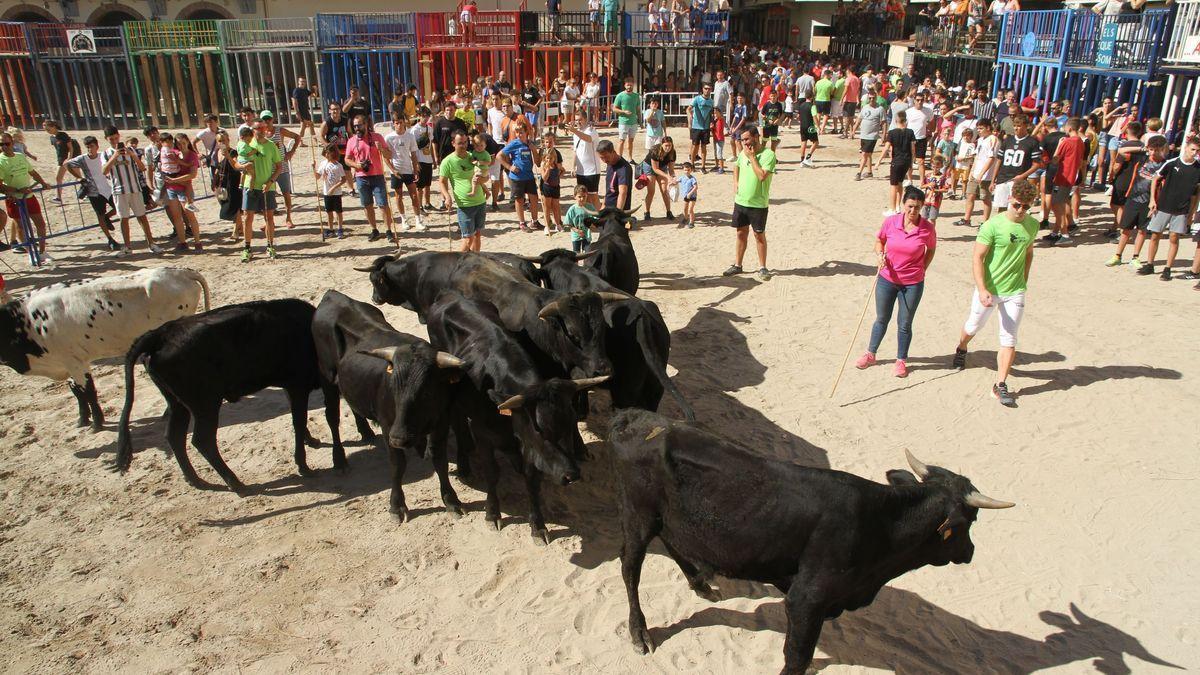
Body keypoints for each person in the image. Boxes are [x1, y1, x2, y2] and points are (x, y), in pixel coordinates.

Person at [953, 179, 1040, 408]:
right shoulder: (992, 225)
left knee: (1009, 337)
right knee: (973, 326)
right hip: (990, 289)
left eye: (1026, 207)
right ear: (1010, 199)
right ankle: (962, 347)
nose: (1021, 211)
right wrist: (982, 289)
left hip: (1015, 290)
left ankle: (1000, 384)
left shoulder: (1032, 225)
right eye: (1018, 205)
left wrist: (1025, 277)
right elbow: (977, 258)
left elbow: (1029, 252)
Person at [856, 186, 937, 378]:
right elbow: (879, 241)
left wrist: (922, 268)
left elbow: (931, 250)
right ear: (903, 204)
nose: (913, 211)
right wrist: (880, 254)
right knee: (881, 319)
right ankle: (871, 353)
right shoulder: (891, 222)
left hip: (912, 283)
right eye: (909, 206)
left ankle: (901, 360)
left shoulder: (927, 228)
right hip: (887, 278)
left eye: (917, 207)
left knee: (904, 323)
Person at [1138, 135, 1200, 279]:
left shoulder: (1198, 169)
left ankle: (1168, 268)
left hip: (1182, 210)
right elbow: (1155, 179)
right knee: (1155, 235)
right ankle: (1150, 264)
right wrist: (1152, 200)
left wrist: (1191, 212)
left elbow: (1196, 194)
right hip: (1164, 205)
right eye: (1193, 150)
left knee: (1174, 238)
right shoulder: (1172, 163)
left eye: (1197, 151)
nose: (1195, 153)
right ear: (1186, 147)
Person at [724, 126, 776, 281]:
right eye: (742, 140)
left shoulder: (768, 155)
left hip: (758, 203)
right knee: (740, 233)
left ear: (756, 137)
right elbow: (737, 166)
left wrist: (752, 157)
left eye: (746, 139)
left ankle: (763, 267)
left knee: (758, 235)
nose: (744, 143)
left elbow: (761, 176)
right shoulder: (743, 153)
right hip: (741, 201)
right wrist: (735, 183)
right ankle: (738, 265)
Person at [1108, 135, 1166, 268]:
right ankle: (1117, 255)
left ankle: (1135, 257)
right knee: (1125, 229)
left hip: (1149, 202)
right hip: (1133, 198)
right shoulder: (1141, 157)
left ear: (1162, 149)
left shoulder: (1164, 164)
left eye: (1156, 150)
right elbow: (1121, 151)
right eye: (1151, 149)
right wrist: (1142, 148)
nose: (1153, 153)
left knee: (1142, 231)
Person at [100, 127, 160, 256]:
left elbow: (142, 168)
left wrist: (133, 155)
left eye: (116, 138)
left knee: (142, 217)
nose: (115, 141)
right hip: (119, 190)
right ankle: (127, 246)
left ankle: (151, 243)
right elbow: (104, 171)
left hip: (135, 189)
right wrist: (115, 156)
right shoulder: (105, 154)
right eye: (111, 139)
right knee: (124, 218)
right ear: (107, 139)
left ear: (119, 136)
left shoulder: (131, 150)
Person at [232, 121, 283, 261]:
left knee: (269, 218)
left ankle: (270, 246)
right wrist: (242, 166)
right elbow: (236, 163)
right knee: (248, 218)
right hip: (250, 186)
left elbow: (279, 167)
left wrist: (271, 181)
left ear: (266, 128)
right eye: (257, 128)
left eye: (262, 127)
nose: (260, 130)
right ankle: (247, 248)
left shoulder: (271, 146)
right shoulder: (246, 143)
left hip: (268, 187)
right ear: (252, 130)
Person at [61, 135, 120, 251]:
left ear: (97, 146)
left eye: (91, 146)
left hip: (108, 188)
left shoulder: (103, 155)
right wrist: (78, 177)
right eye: (87, 147)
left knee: (119, 209)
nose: (89, 149)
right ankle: (110, 239)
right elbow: (66, 164)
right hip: (94, 192)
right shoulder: (82, 159)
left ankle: (108, 217)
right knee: (100, 215)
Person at [345, 114, 396, 243]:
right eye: (355, 126)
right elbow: (347, 159)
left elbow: (389, 154)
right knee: (367, 205)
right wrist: (357, 165)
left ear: (366, 124)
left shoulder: (377, 137)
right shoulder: (351, 141)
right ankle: (374, 230)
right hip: (361, 177)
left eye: (359, 125)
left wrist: (381, 149)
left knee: (383, 204)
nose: (357, 128)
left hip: (377, 175)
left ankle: (388, 230)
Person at [439, 130, 490, 252]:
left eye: (466, 142)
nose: (464, 145)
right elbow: (442, 181)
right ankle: (455, 263)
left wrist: (483, 180)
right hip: (464, 204)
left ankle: (476, 262)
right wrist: (447, 197)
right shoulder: (447, 161)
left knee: (477, 235)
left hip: (480, 201)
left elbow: (486, 176)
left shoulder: (473, 156)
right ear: (453, 143)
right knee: (468, 238)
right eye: (460, 143)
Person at [989, 114, 1042, 214]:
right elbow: (999, 160)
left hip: (1018, 180)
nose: (1016, 128)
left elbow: (1036, 164)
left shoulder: (1032, 142)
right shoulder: (1008, 140)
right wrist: (993, 180)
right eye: (1014, 126)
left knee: (1015, 207)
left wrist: (1022, 176)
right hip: (1002, 178)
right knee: (1001, 207)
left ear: (1026, 126)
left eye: (1019, 126)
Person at [1045, 117, 1086, 244]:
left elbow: (1055, 159)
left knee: (1057, 205)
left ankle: (1065, 234)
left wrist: (1059, 145)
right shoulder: (1080, 141)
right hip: (1072, 176)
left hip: (1064, 176)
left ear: (1069, 128)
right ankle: (1055, 232)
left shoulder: (1067, 141)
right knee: (1061, 203)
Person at [162, 135, 202, 251]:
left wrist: (175, 180)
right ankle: (182, 242)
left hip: (184, 189)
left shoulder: (191, 155)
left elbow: (193, 175)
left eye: (183, 143)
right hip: (172, 188)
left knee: (190, 216)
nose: (181, 146)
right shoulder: (174, 152)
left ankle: (197, 242)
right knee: (177, 217)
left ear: (187, 142)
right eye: (179, 143)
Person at [500, 123, 543, 231]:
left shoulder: (530, 144)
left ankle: (535, 221)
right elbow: (499, 156)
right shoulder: (513, 144)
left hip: (529, 175)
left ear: (526, 132)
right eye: (517, 132)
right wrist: (509, 167)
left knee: (534, 198)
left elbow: (537, 163)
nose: (519, 134)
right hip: (517, 177)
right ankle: (522, 223)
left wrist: (534, 150)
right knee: (519, 200)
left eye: (521, 132)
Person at [384, 115, 424, 232]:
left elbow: (414, 154)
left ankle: (418, 219)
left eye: (401, 122)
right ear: (393, 124)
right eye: (397, 123)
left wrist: (415, 170)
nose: (399, 125)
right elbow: (386, 156)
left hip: (408, 170)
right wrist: (392, 169)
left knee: (414, 195)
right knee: (399, 196)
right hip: (396, 170)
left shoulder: (410, 136)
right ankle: (403, 219)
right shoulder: (389, 138)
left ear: (404, 123)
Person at [880, 110, 916, 215]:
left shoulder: (892, 133)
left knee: (893, 185)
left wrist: (879, 161)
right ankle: (897, 206)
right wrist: (912, 162)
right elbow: (913, 149)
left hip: (896, 161)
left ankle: (892, 209)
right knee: (900, 183)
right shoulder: (910, 132)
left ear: (896, 120)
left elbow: (886, 148)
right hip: (906, 161)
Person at [213, 131, 244, 241]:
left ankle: (235, 230)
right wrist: (214, 181)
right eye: (220, 141)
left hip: (233, 181)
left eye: (224, 140)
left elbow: (236, 166)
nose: (222, 143)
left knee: (235, 206)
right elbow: (217, 167)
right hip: (222, 182)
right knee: (224, 203)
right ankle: (240, 227)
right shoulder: (218, 152)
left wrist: (228, 156)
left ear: (228, 140)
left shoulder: (233, 152)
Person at [568, 110, 602, 210]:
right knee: (583, 196)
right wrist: (573, 167)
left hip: (592, 170)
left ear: (586, 119)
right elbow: (576, 151)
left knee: (593, 196)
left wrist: (575, 131)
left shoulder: (591, 130)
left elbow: (588, 138)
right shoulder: (576, 134)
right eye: (576, 120)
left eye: (580, 120)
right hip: (580, 171)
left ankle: (600, 218)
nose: (578, 122)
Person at [313, 144, 348, 239]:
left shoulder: (338, 165)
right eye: (326, 153)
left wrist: (333, 188)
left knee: (338, 211)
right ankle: (331, 229)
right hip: (326, 191)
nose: (327, 155)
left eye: (328, 153)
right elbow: (317, 177)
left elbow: (343, 179)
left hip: (336, 192)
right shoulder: (323, 163)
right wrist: (314, 168)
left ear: (333, 153)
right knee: (329, 211)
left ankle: (340, 228)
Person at [640, 136, 677, 222]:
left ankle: (668, 212)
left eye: (670, 145)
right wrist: (668, 176)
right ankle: (647, 212)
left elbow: (671, 169)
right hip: (649, 167)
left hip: (662, 167)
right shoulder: (655, 150)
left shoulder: (672, 153)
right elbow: (655, 169)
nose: (668, 148)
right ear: (662, 145)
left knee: (664, 190)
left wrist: (673, 178)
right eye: (666, 145)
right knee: (651, 191)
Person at [45, 120, 80, 204]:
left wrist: (69, 159)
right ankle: (58, 198)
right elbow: (58, 150)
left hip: (68, 159)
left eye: (48, 129)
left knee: (78, 177)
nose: (47, 131)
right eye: (46, 130)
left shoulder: (63, 135)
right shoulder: (52, 138)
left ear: (54, 127)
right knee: (59, 178)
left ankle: (86, 194)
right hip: (61, 160)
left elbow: (70, 148)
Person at [539, 131, 564, 235]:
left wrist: (558, 175)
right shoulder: (542, 153)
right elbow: (543, 176)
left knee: (556, 205)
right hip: (546, 185)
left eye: (550, 142)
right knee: (546, 206)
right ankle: (547, 225)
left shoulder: (557, 153)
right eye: (546, 142)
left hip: (555, 184)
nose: (548, 144)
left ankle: (558, 224)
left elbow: (561, 168)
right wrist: (547, 168)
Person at [687, 82, 715, 172]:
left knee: (704, 147)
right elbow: (688, 109)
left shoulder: (711, 101)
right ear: (702, 89)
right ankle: (692, 164)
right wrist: (690, 119)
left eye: (709, 89)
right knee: (695, 146)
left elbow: (711, 113)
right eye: (706, 88)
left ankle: (703, 166)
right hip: (696, 126)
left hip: (706, 127)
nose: (707, 90)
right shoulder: (697, 99)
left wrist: (712, 122)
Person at [598, 139, 633, 211]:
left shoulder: (624, 168)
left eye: (606, 157)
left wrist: (618, 213)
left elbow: (622, 193)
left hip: (618, 210)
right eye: (601, 158)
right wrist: (603, 206)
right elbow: (609, 189)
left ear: (613, 152)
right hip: (608, 209)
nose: (604, 160)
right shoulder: (609, 163)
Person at [855, 93, 884, 180]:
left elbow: (884, 122)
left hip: (872, 135)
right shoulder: (865, 107)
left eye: (873, 98)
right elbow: (859, 118)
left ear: (876, 98)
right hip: (863, 134)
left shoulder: (880, 109)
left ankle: (859, 173)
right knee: (868, 154)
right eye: (870, 98)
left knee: (864, 154)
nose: (871, 100)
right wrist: (853, 129)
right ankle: (869, 172)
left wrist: (884, 134)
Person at [612, 78, 641, 160]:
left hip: (633, 122)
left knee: (631, 141)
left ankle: (630, 158)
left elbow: (638, 109)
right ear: (625, 85)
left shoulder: (636, 96)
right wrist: (623, 112)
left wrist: (640, 121)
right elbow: (614, 109)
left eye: (631, 85)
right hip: (623, 122)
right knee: (621, 140)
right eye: (628, 85)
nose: (629, 86)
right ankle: (619, 158)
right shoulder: (620, 96)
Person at [564, 184, 596, 252]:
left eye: (584, 196)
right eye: (579, 197)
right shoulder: (572, 209)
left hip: (587, 235)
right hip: (576, 236)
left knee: (587, 252)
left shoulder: (590, 207)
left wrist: (593, 224)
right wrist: (577, 231)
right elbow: (568, 224)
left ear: (587, 195)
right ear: (574, 197)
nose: (582, 199)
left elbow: (595, 218)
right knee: (576, 253)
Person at [920, 156, 949, 225]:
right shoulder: (928, 176)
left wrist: (936, 190)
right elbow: (922, 186)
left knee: (932, 218)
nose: (935, 169)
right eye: (933, 167)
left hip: (936, 200)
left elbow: (946, 189)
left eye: (937, 167)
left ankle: (932, 233)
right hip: (926, 199)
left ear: (941, 166)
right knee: (924, 217)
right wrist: (929, 184)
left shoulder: (943, 177)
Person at [761, 88, 785, 155]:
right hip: (767, 126)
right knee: (764, 142)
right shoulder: (766, 104)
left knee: (773, 142)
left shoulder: (779, 105)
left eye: (774, 96)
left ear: (777, 96)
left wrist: (777, 120)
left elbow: (781, 114)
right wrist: (768, 120)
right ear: (769, 96)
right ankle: (761, 156)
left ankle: (772, 157)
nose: (773, 97)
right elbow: (762, 115)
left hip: (774, 126)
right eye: (771, 96)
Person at [678, 161, 698, 228]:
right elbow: (676, 181)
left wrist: (690, 193)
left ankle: (691, 222)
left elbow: (696, 187)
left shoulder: (692, 178)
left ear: (691, 170)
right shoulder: (682, 177)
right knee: (685, 209)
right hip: (685, 196)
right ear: (683, 170)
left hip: (692, 196)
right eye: (685, 170)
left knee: (690, 209)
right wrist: (671, 183)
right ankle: (686, 218)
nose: (687, 171)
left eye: (688, 170)